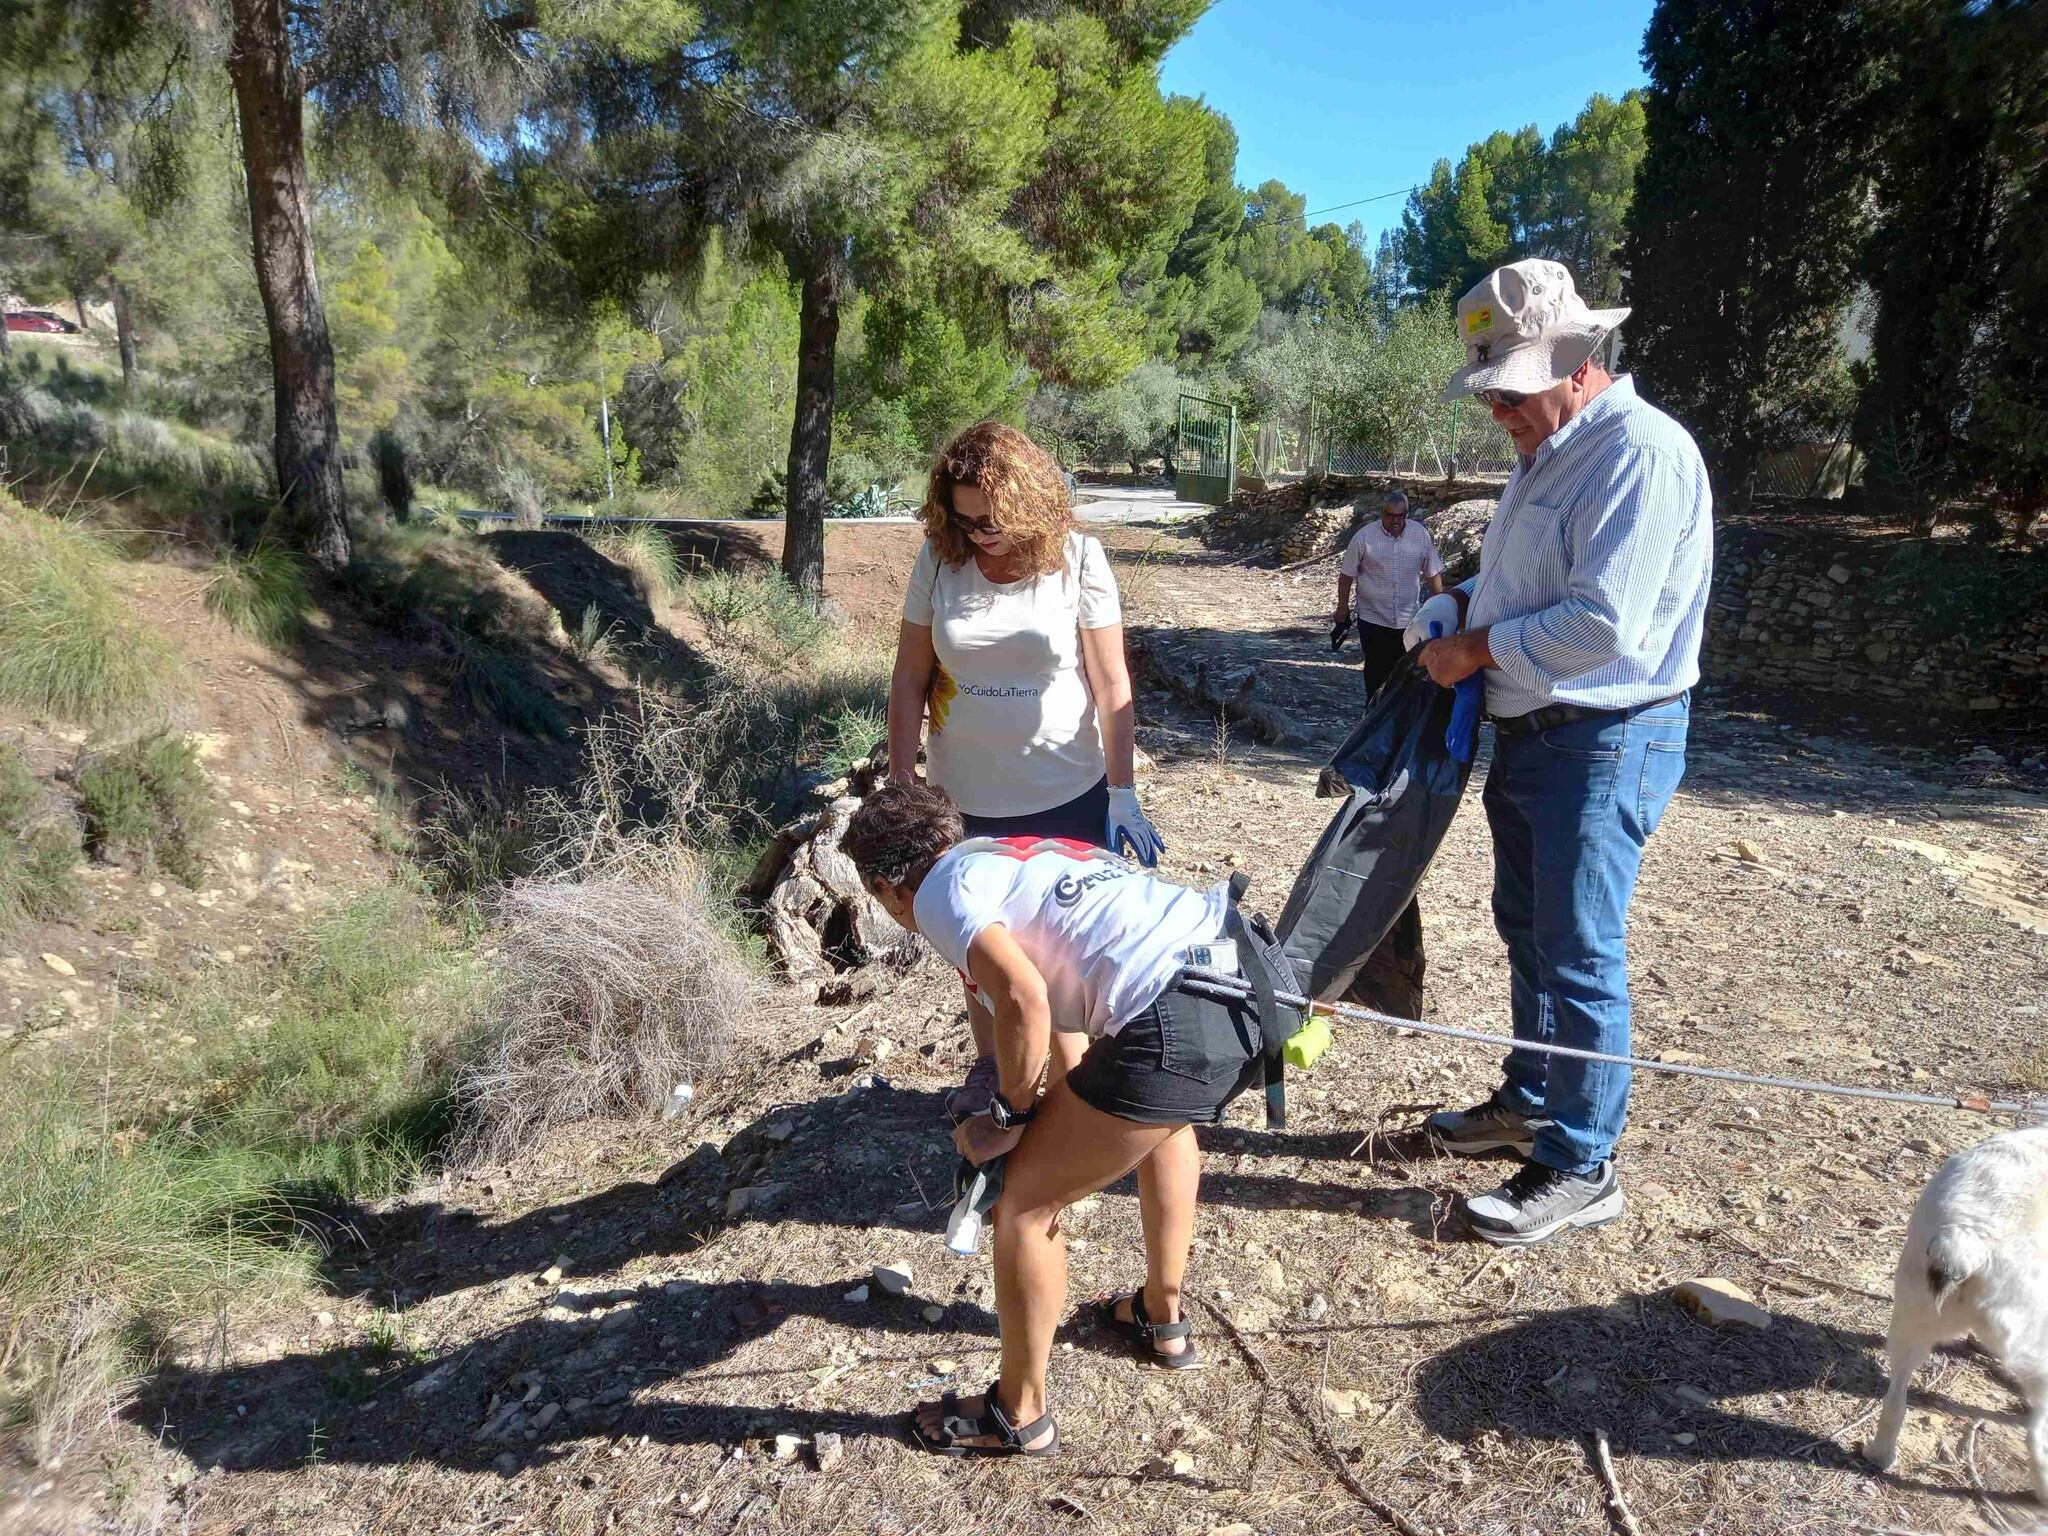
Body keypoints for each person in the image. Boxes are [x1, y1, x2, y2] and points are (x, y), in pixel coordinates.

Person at [841, 782, 1285, 1458]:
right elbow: (1063, 1040)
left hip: (1168, 1017)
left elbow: (1023, 999)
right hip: (1241, 981)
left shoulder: (935, 891)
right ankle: (1162, 1318)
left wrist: (1010, 1119)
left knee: (1022, 1201)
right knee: (1163, 1120)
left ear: (886, 887)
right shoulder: (1006, 857)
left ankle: (1017, 1414)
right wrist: (1028, 1096)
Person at [1413, 258, 1713, 1248]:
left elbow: (1600, 625)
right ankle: (1532, 1097)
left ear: (1577, 359)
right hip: (1535, 732)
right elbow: (1525, 586)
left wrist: (1472, 647)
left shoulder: (1637, 453)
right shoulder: (1549, 453)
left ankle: (1581, 1161)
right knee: (1528, 929)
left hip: (1604, 733)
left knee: (1579, 951)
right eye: (1489, 391)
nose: (1497, 410)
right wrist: (1459, 605)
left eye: (1510, 388)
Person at [887, 421, 1165, 1116]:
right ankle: (995, 1073)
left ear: (1028, 503)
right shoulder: (938, 561)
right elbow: (908, 679)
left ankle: (1075, 1104)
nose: (978, 533)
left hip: (1065, 792)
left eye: (992, 519)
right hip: (965, 797)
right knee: (980, 959)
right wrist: (901, 783)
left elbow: (1111, 684)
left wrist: (1123, 794)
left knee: (1066, 962)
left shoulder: (1079, 559)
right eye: (964, 517)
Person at [1330, 489, 1445, 696]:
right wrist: (1342, 608)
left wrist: (1440, 609)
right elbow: (1347, 575)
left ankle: (1398, 722)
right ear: (1382, 513)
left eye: (1400, 516)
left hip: (1408, 620)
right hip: (1373, 619)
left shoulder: (1419, 535)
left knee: (1406, 675)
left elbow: (1432, 573)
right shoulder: (1364, 537)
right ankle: (1373, 716)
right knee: (1375, 673)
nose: (1395, 521)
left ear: (1407, 515)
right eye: (1391, 516)